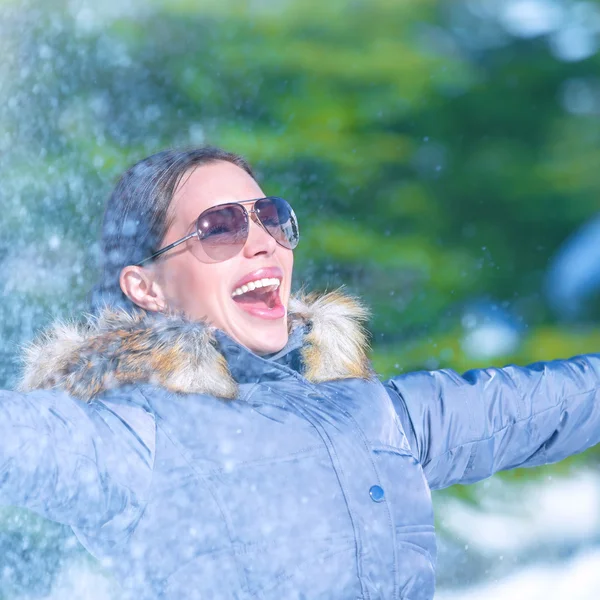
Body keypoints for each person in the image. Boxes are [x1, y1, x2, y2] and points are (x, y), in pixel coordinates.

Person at [2, 146, 599, 600]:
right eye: (220, 228)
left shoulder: (371, 412)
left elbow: (552, 404)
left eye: (270, 217)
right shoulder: (128, 438)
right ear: (147, 287)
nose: (262, 241)